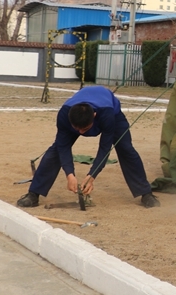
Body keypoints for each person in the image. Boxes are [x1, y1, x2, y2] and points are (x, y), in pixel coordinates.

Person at [16, 86, 160, 209]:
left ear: (94, 116)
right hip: (80, 114)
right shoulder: (64, 115)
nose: (81, 133)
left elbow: (105, 148)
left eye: (85, 129)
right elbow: (63, 147)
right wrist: (69, 174)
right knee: (55, 151)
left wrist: (92, 175)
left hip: (112, 112)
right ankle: (33, 194)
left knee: (126, 149)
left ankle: (146, 194)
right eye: (77, 129)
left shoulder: (106, 115)